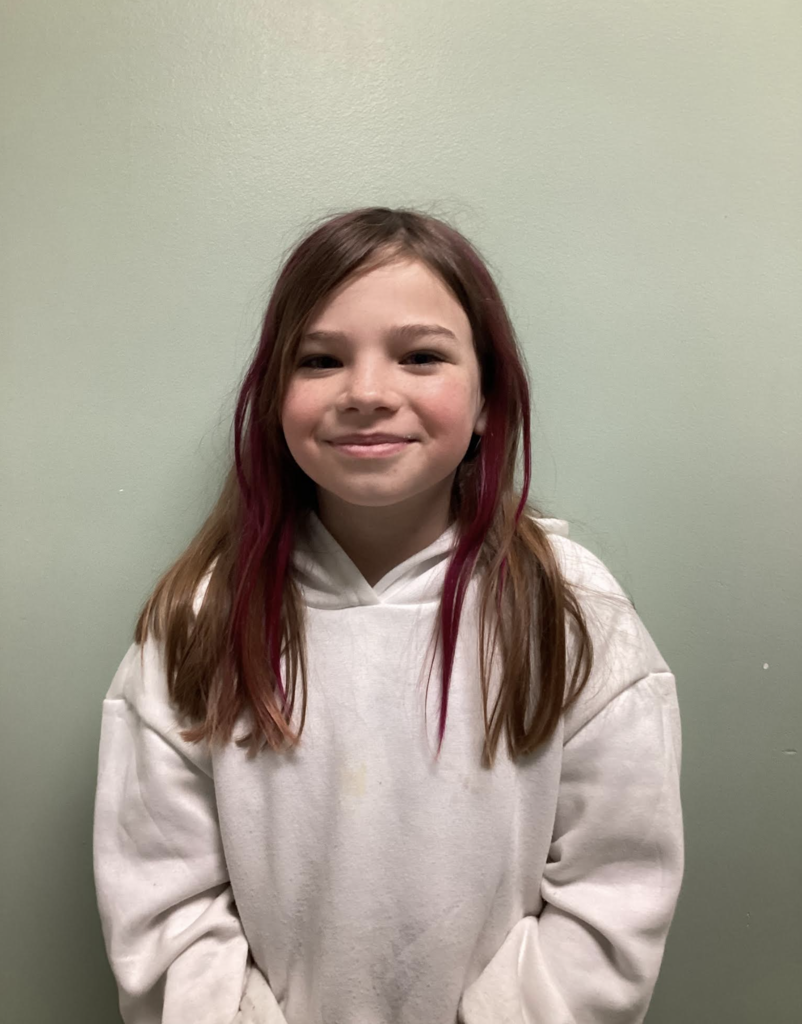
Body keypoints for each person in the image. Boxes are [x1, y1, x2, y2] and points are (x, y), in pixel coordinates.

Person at [92, 206, 684, 1024]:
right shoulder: (199, 625)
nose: (367, 392)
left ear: (487, 399)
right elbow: (164, 910)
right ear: (274, 399)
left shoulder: (572, 615)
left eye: (420, 356)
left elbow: (615, 891)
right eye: (321, 359)